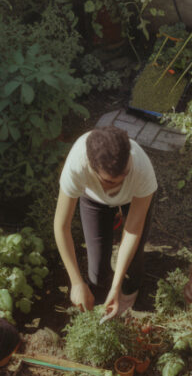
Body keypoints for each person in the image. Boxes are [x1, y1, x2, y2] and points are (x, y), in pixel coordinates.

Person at [54, 126, 157, 319]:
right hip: (95, 200)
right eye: (111, 182)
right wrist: (76, 282)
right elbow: (61, 226)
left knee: (134, 263)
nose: (120, 184)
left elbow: (133, 229)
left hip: (133, 199)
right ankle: (103, 291)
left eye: (125, 175)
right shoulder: (77, 166)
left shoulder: (142, 169)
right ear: (91, 168)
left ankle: (130, 290)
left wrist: (117, 287)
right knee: (97, 275)